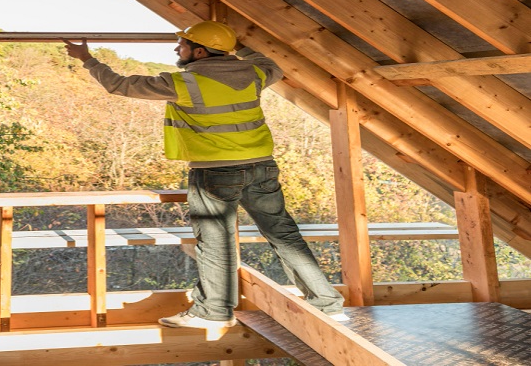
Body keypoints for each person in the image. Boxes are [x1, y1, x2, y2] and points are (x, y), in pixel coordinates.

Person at [64, 21, 345, 329]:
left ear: (199, 51)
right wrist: (236, 47)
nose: (176, 49)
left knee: (215, 242)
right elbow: (271, 65)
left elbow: (119, 84)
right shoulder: (253, 74)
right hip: (261, 167)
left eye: (182, 45)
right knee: (284, 234)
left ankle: (213, 311)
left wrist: (87, 59)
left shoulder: (183, 83)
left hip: (215, 172)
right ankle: (327, 304)